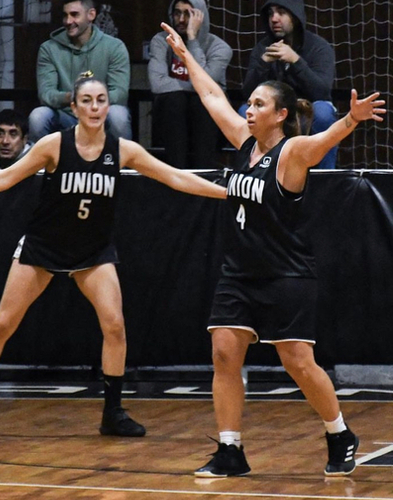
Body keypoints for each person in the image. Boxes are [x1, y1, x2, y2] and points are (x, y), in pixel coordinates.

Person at [0, 73, 227, 438]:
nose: (95, 107)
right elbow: (4, 179)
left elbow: (175, 178)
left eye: (101, 100)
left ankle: (113, 413)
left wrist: (226, 192)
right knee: (2, 325)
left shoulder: (123, 150)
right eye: (87, 101)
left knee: (115, 326)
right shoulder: (53, 145)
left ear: (110, 106)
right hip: (45, 245)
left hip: (92, 250)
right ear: (73, 107)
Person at [161, 22, 385, 477]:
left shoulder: (293, 153)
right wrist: (186, 55)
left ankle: (340, 432)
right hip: (239, 271)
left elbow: (324, 143)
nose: (248, 109)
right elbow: (211, 99)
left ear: (280, 114)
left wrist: (351, 119)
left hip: (287, 273)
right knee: (224, 352)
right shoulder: (244, 146)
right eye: (250, 103)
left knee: (298, 361)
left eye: (258, 104)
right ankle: (230, 450)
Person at [240, 0, 338, 169]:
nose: (274, 19)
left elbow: (322, 92)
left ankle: (324, 179)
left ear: (295, 16)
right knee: (244, 112)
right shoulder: (263, 48)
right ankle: (252, 174)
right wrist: (263, 64)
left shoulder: (318, 47)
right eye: (270, 13)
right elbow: (248, 94)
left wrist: (295, 61)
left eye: (281, 13)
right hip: (275, 111)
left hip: (307, 109)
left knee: (324, 112)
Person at [28, 0, 132, 142]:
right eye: (65, 15)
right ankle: (43, 164)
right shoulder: (49, 49)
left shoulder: (115, 47)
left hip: (100, 115)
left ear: (91, 15)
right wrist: (73, 97)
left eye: (75, 15)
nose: (68, 21)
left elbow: (120, 94)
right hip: (66, 116)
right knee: (38, 116)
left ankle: (120, 164)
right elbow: (46, 95)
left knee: (118, 115)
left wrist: (91, 100)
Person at [148, 0, 232, 169]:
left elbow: (206, 83)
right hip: (170, 117)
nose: (180, 19)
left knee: (202, 103)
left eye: (188, 14)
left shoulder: (220, 48)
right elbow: (157, 84)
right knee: (175, 100)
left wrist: (193, 40)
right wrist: (194, 88)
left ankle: (203, 177)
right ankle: (177, 178)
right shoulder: (161, 41)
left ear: (201, 16)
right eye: (177, 13)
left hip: (208, 119)